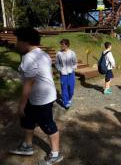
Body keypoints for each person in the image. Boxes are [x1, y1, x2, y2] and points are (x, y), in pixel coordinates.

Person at [9, 27, 63, 164]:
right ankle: (27, 146)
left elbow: (29, 83)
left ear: (26, 42)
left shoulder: (29, 57)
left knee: (48, 125)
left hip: (41, 98)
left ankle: (55, 154)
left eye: (18, 41)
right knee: (28, 119)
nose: (16, 44)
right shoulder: (42, 54)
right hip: (43, 95)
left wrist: (21, 104)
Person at [55, 39, 77, 109]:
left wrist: (73, 68)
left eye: (63, 44)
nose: (61, 46)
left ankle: (69, 98)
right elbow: (57, 63)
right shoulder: (59, 54)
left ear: (67, 45)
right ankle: (65, 102)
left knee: (71, 89)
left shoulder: (72, 53)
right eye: (61, 44)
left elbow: (75, 62)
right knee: (64, 89)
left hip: (71, 73)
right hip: (63, 74)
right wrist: (60, 69)